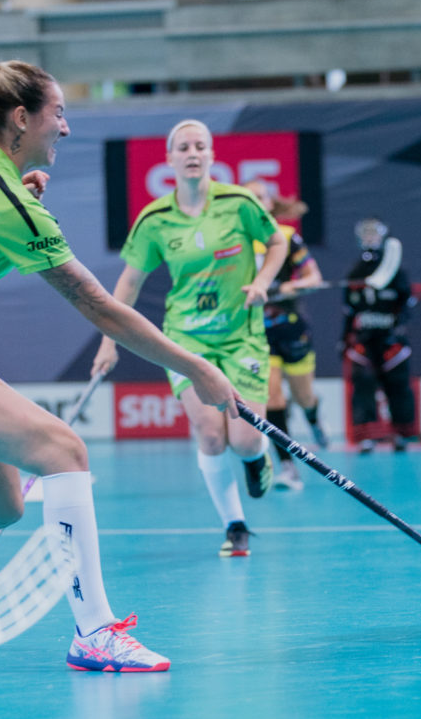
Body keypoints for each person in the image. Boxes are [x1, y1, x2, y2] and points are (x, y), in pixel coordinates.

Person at [0, 57, 244, 671]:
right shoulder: (13, 211)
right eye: (58, 112)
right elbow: (101, 308)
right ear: (22, 117)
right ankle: (95, 631)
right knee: (63, 452)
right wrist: (196, 368)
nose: (66, 126)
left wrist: (6, 207)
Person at [91, 120, 286, 557]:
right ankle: (234, 526)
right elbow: (128, 284)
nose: (193, 152)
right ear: (170, 159)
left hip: (241, 337)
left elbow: (276, 243)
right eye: (184, 147)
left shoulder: (239, 204)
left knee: (244, 439)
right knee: (210, 435)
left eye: (201, 146)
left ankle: (257, 458)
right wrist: (108, 342)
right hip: (187, 341)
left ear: (213, 156)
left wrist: (264, 282)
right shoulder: (154, 219)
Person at [244, 178, 330, 492]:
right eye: (249, 198)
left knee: (303, 395)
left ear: (270, 203)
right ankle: (288, 465)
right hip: (256, 332)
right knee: (273, 397)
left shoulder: (286, 237)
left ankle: (313, 416)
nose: (256, 202)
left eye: (261, 197)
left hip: (291, 326)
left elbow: (313, 276)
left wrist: (292, 285)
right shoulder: (236, 241)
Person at [342, 217, 418, 453]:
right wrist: (344, 339)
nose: (370, 239)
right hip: (364, 340)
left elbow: (408, 304)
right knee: (362, 384)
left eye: (374, 235)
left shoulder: (397, 273)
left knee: (398, 384)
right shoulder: (355, 272)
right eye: (365, 235)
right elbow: (348, 311)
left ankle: (402, 434)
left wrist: (397, 325)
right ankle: (366, 437)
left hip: (391, 341)